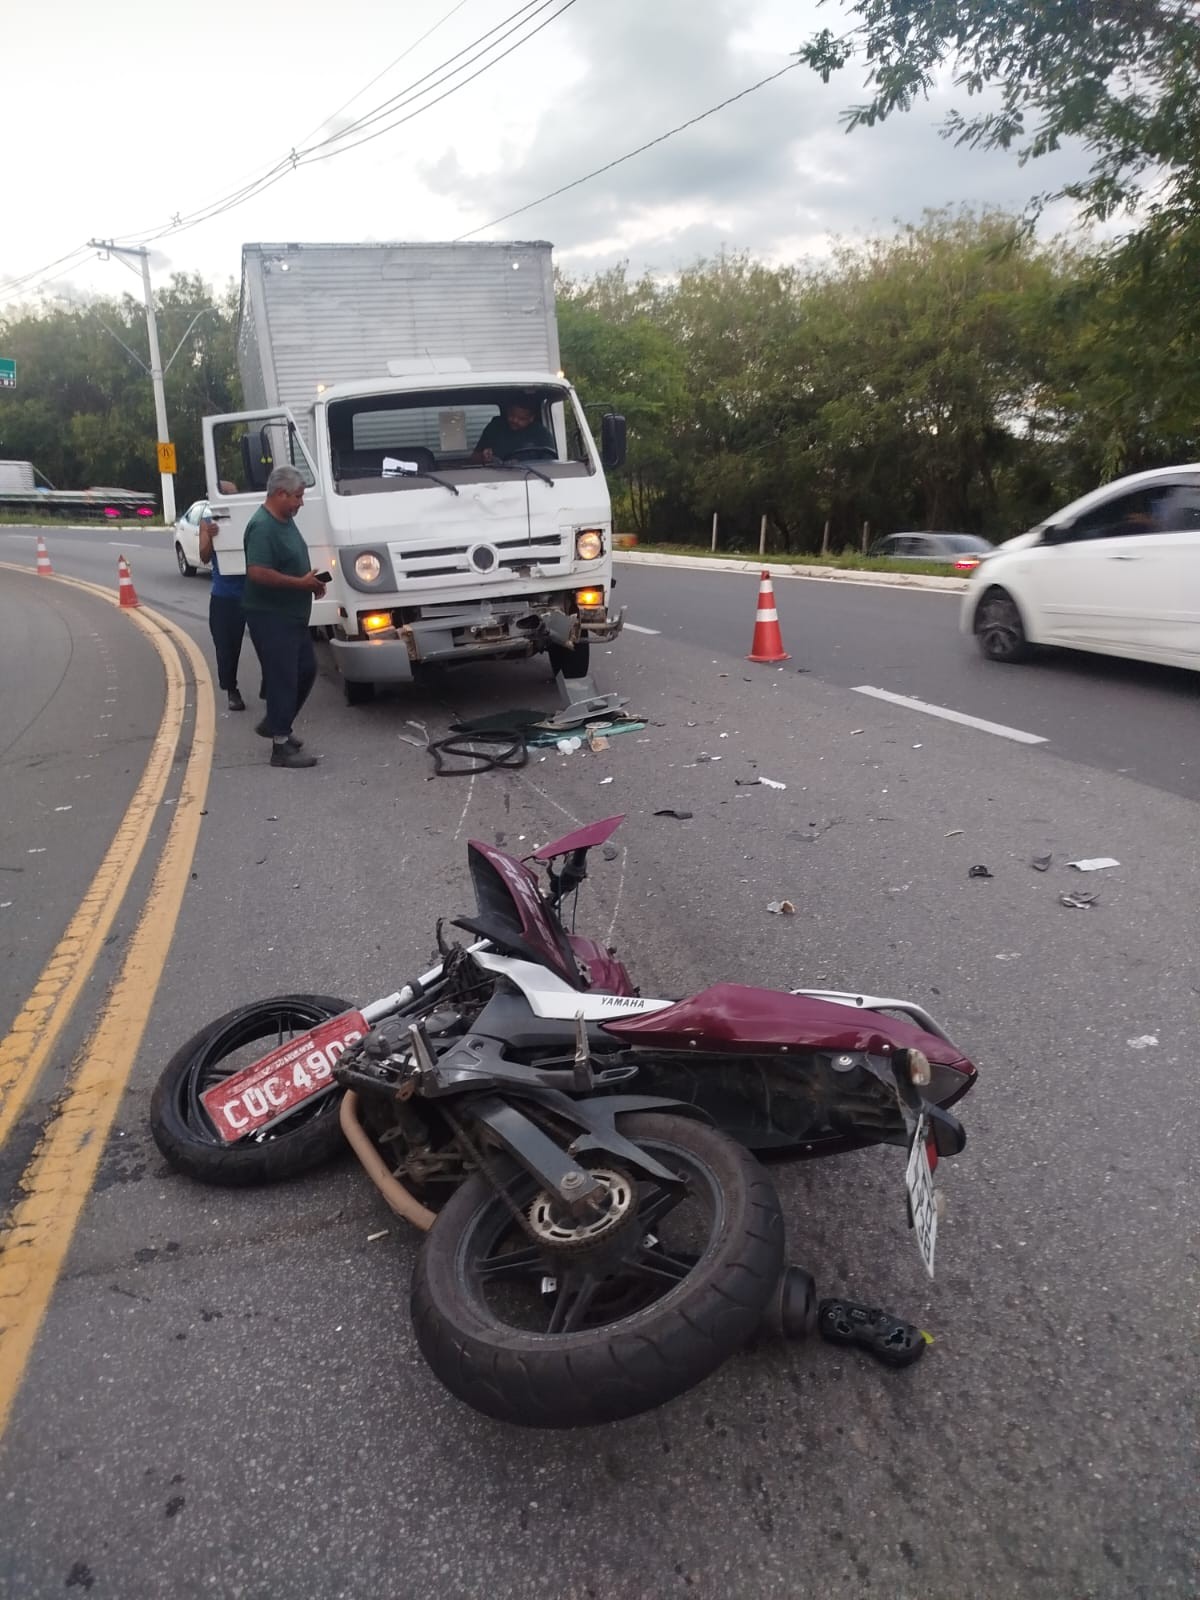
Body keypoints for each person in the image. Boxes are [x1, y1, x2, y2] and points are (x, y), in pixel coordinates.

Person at [241, 465, 326, 770]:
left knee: (305, 670)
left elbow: (289, 562)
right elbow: (257, 572)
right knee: (284, 677)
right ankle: (280, 746)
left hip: (292, 614)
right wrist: (300, 584)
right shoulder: (263, 526)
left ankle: (277, 724)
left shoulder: (284, 519)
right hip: (271, 615)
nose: (301, 502)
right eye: (298, 497)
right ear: (280, 493)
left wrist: (311, 583)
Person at [198, 486, 249, 713]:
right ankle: (231, 690)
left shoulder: (248, 517)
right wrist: (209, 535)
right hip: (225, 594)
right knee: (227, 647)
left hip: (254, 591)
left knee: (269, 643)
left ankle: (271, 686)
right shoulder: (208, 521)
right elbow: (204, 556)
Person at [471, 398, 555, 463]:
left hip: (530, 479)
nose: (515, 420)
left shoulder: (542, 434)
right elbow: (473, 458)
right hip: (494, 480)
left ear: (531, 418)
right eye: (511, 415)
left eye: (521, 419)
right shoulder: (495, 427)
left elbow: (550, 466)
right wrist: (483, 456)